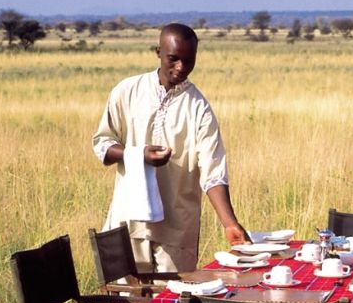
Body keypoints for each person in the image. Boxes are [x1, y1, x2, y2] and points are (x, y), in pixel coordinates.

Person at [92, 23, 248, 273]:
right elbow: (103, 146)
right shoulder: (127, 92)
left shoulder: (198, 108)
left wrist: (229, 223)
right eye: (173, 59)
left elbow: (213, 172)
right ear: (158, 52)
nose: (180, 68)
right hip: (129, 221)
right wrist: (137, 154)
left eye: (189, 61)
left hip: (176, 227)